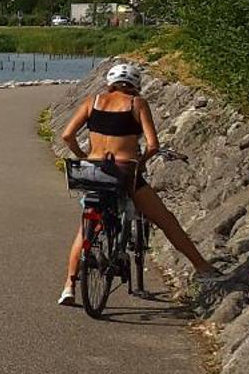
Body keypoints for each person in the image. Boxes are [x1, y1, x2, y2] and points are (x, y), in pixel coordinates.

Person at [54, 61, 216, 305]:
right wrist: (140, 163)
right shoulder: (136, 103)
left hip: (92, 172)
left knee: (86, 229)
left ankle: (69, 286)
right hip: (123, 172)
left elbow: (67, 135)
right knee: (166, 219)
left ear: (110, 83)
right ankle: (203, 269)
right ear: (135, 85)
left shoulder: (93, 101)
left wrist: (84, 157)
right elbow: (153, 145)